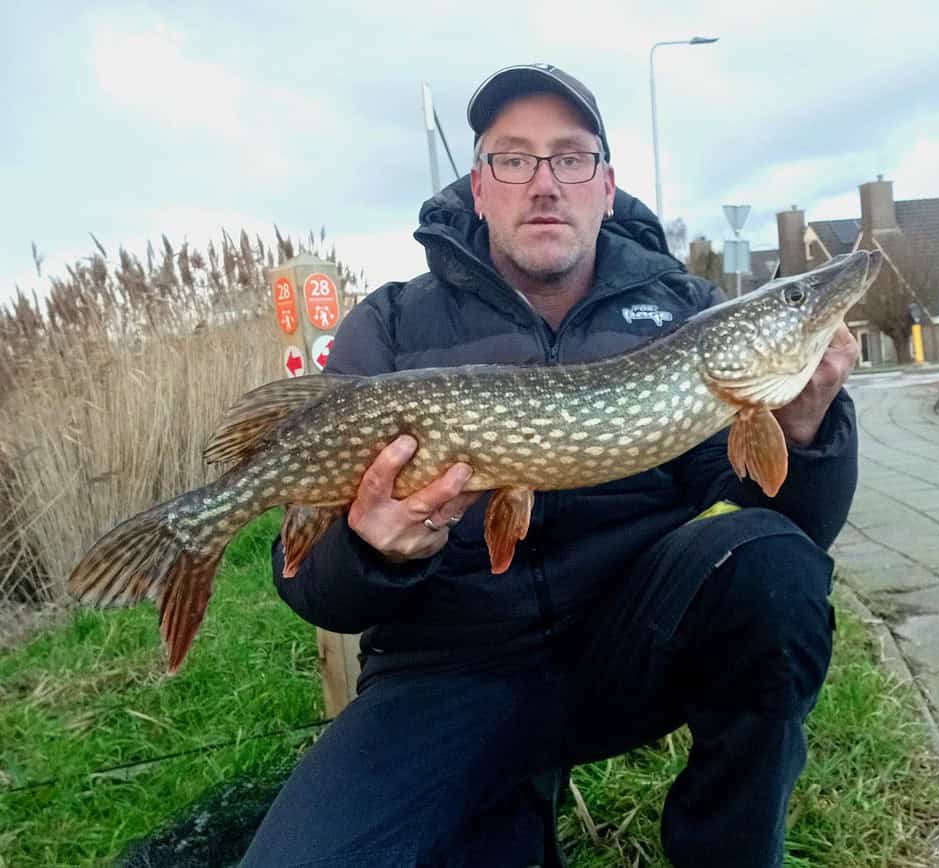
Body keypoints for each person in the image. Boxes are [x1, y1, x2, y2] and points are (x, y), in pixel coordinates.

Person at [242, 63, 859, 868]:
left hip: (629, 650)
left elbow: (788, 536)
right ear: (478, 186)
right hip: (445, 674)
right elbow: (311, 587)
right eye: (512, 158)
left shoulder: (686, 315)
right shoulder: (389, 329)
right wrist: (372, 551)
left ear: (604, 186)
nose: (543, 183)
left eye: (569, 157)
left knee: (768, 567)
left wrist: (806, 428)